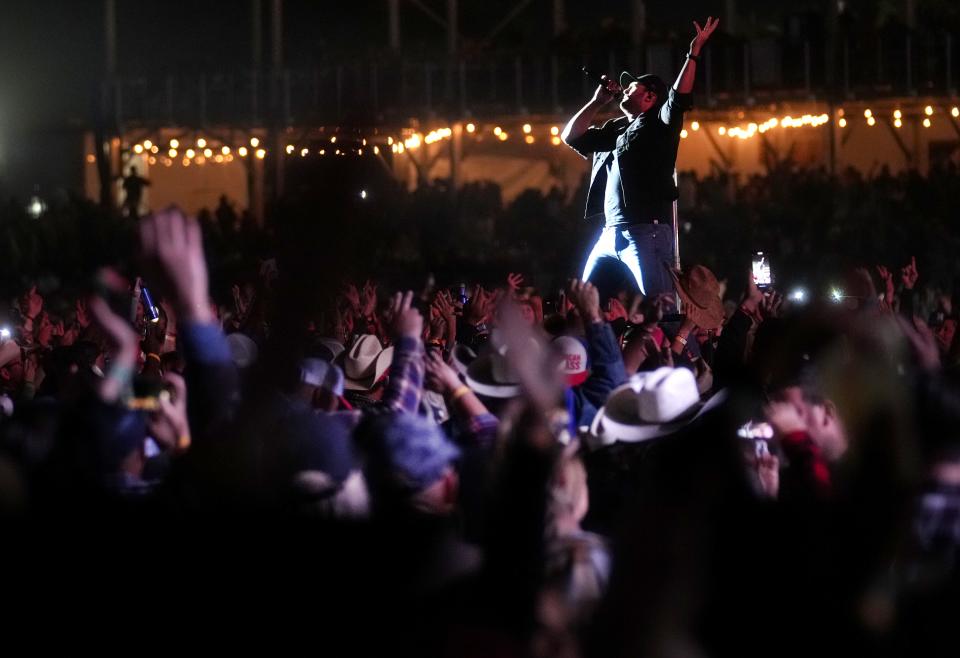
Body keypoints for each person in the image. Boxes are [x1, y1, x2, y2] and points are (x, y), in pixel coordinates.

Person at [561, 16, 719, 299]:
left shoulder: (660, 124)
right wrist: (597, 102)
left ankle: (682, 343)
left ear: (649, 97)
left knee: (663, 306)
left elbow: (678, 97)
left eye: (632, 86)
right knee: (583, 301)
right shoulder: (616, 128)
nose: (624, 88)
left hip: (646, 231)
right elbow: (571, 137)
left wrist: (693, 53)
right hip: (610, 232)